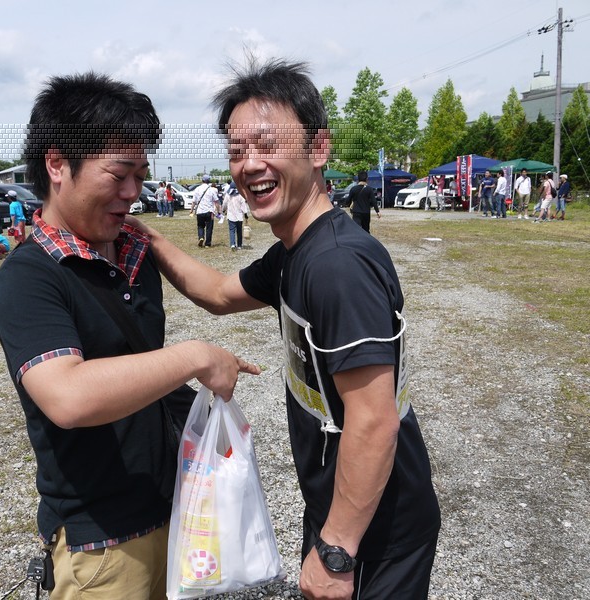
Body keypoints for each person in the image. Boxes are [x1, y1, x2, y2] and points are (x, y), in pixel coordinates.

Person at [132, 57, 440, 600]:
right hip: (342, 512)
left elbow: (374, 422)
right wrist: (146, 238)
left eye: (267, 145)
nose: (250, 164)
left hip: (377, 534)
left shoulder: (338, 265)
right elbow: (217, 293)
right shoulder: (294, 253)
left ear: (318, 149)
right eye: (236, 151)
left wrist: (337, 551)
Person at [0, 72, 259, 600]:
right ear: (56, 164)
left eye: (141, 174)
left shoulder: (134, 249)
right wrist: (194, 357)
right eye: (119, 174)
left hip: (175, 507)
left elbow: (218, 291)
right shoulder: (31, 276)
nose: (134, 193)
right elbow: (67, 396)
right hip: (103, 542)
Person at [190, 174, 220, 247]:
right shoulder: (211, 190)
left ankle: (201, 237)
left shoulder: (197, 189)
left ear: (202, 180)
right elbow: (216, 202)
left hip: (200, 211)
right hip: (209, 211)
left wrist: (191, 210)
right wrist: (218, 211)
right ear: (209, 181)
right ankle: (207, 244)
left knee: (200, 226)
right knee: (209, 228)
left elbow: (194, 201)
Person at [222, 181, 248, 250]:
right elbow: (243, 205)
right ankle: (239, 245)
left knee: (232, 230)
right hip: (239, 216)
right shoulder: (240, 195)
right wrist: (245, 214)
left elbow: (224, 204)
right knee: (239, 231)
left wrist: (223, 210)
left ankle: (233, 245)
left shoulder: (228, 195)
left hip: (231, 216)